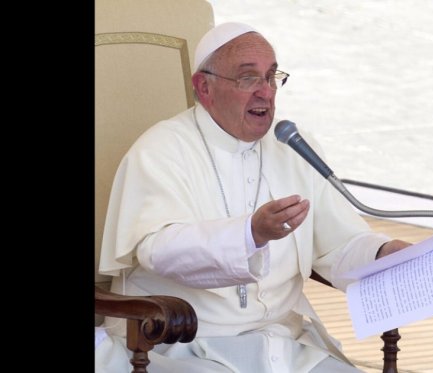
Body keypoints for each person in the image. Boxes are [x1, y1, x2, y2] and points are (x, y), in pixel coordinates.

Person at [95, 22, 411, 373]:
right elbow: (157, 249)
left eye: (271, 77)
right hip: (181, 343)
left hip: (282, 341)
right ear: (204, 87)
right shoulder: (161, 149)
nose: (266, 92)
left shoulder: (291, 146)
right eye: (248, 78)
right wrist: (251, 233)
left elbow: (337, 245)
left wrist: (382, 254)